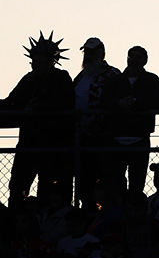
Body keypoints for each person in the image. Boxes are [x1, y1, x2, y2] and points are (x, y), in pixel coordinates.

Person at [0, 32, 73, 208]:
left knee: (48, 191)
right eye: (34, 60)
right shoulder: (28, 79)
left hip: (53, 147)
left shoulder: (61, 78)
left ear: (51, 61)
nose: (36, 63)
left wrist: (36, 108)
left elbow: (66, 105)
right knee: (17, 188)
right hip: (28, 144)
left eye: (40, 60)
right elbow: (11, 104)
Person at [101, 46, 159, 196]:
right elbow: (104, 102)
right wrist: (119, 104)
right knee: (115, 183)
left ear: (145, 60)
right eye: (131, 56)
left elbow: (158, 101)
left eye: (138, 56)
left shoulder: (151, 80)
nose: (133, 60)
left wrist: (136, 103)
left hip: (139, 137)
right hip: (117, 137)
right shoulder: (115, 80)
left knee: (137, 184)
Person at [73, 37, 121, 209]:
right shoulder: (80, 77)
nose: (89, 56)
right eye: (87, 52)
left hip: (105, 137)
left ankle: (110, 214)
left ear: (102, 53)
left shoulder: (113, 74)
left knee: (108, 178)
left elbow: (117, 102)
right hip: (83, 137)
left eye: (93, 52)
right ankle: (88, 211)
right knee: (85, 178)